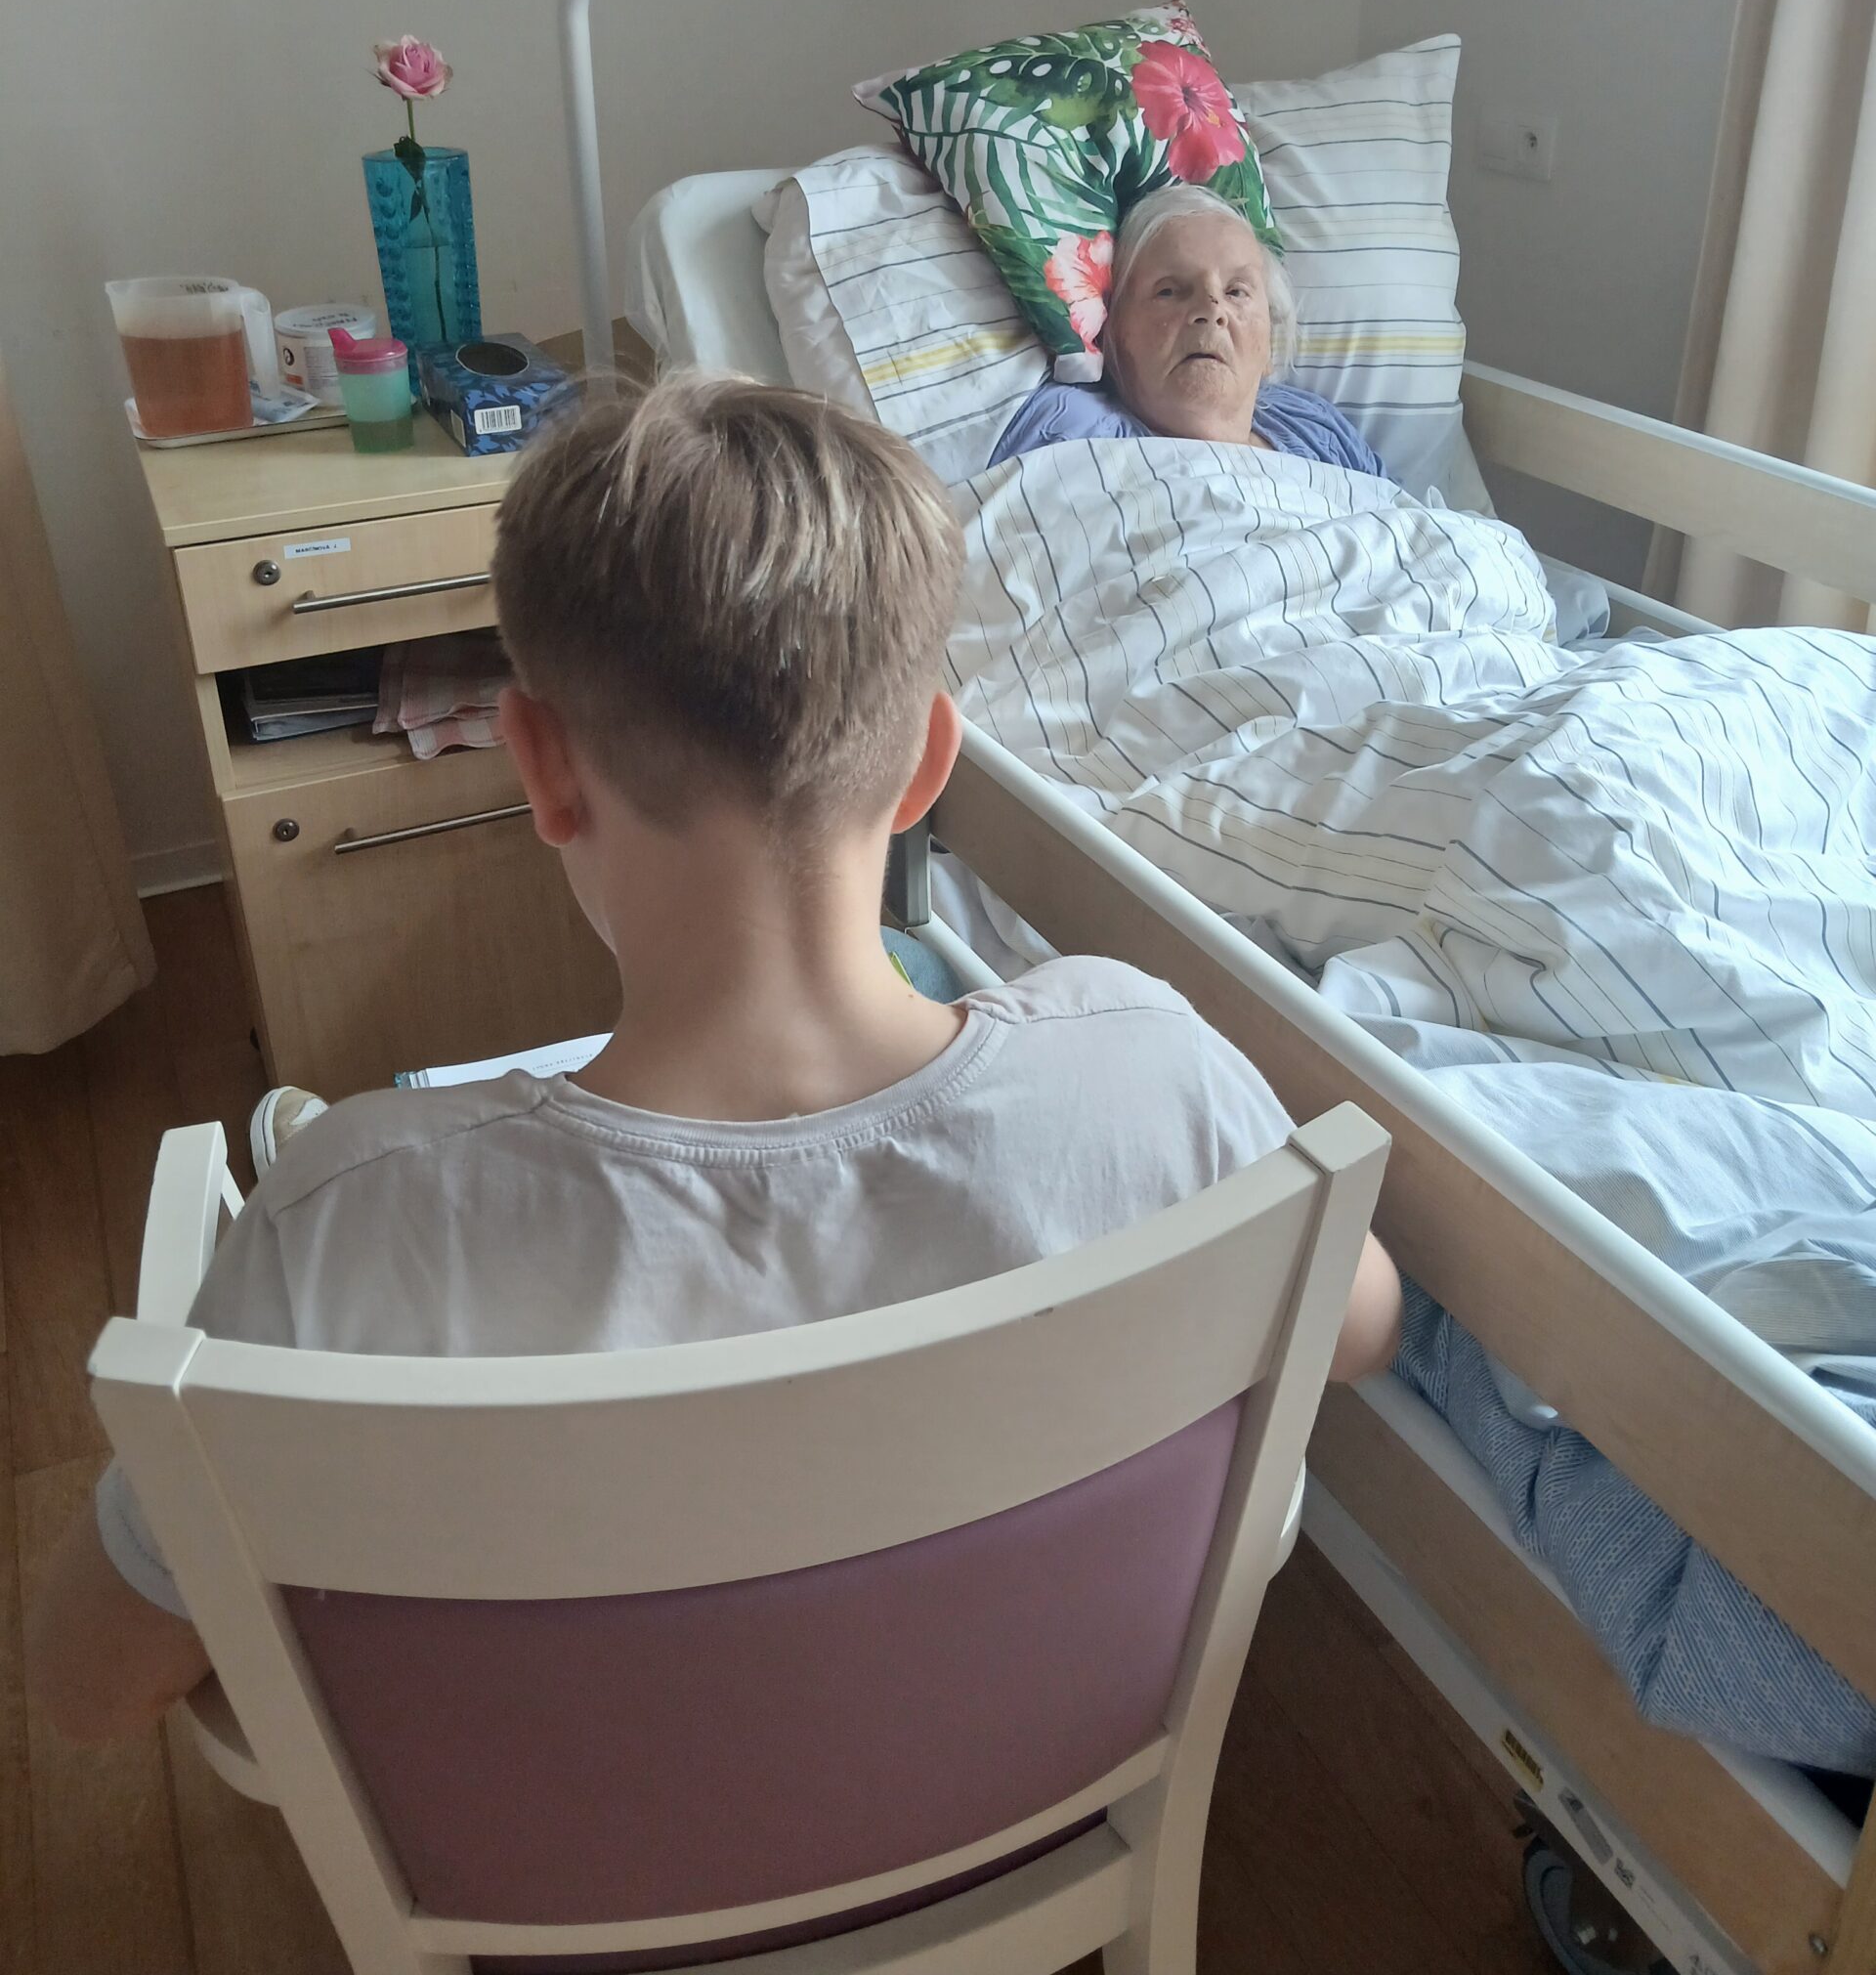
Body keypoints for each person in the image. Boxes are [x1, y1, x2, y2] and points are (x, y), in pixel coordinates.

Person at [25, 374, 1401, 1742]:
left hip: (583, 1859)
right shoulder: (1153, 1068)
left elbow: (84, 1687)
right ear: (931, 761)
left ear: (539, 766)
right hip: (1026, 1799)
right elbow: (1362, 1326)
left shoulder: (345, 1231)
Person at [991, 184, 1388, 476]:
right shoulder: (1067, 427)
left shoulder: (1316, 429)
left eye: (1236, 291)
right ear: (1112, 332)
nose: (1212, 311)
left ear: (1269, 345)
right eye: (1169, 291)